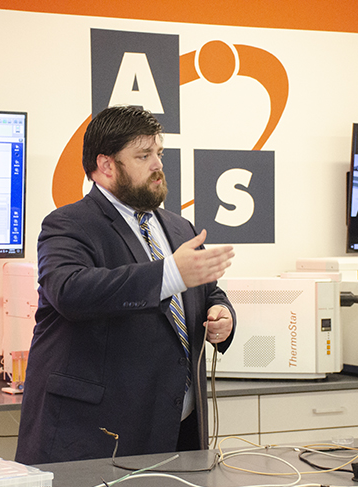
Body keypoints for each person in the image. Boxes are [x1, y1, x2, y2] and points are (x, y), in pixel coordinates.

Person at [15, 106, 235, 465]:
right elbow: (69, 291)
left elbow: (208, 291)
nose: (157, 165)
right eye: (143, 156)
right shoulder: (68, 224)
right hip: (96, 437)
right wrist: (168, 274)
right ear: (106, 165)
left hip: (177, 431)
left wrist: (221, 313)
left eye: (158, 153)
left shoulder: (180, 228)